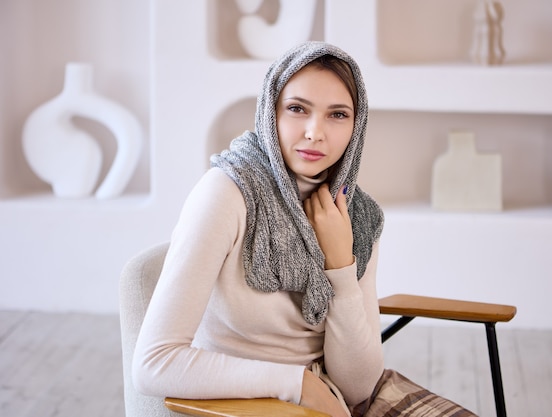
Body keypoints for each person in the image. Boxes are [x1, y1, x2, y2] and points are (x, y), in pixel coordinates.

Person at [133, 41, 477, 417]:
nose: (315, 132)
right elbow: (154, 364)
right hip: (242, 403)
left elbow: (358, 387)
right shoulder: (227, 193)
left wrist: (341, 267)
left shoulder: (358, 215)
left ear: (356, 126)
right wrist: (297, 384)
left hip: (334, 398)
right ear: (271, 112)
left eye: (338, 115)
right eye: (297, 109)